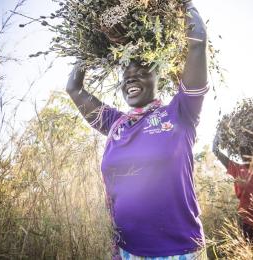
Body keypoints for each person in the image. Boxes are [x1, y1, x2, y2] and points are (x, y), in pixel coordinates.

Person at [66, 1, 208, 259]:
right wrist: (88, 46)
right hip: (128, 251)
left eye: (141, 70)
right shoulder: (115, 124)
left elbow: (197, 42)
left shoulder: (180, 113)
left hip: (179, 252)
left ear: (159, 77)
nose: (131, 77)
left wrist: (183, 3)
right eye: (125, 74)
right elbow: (74, 88)